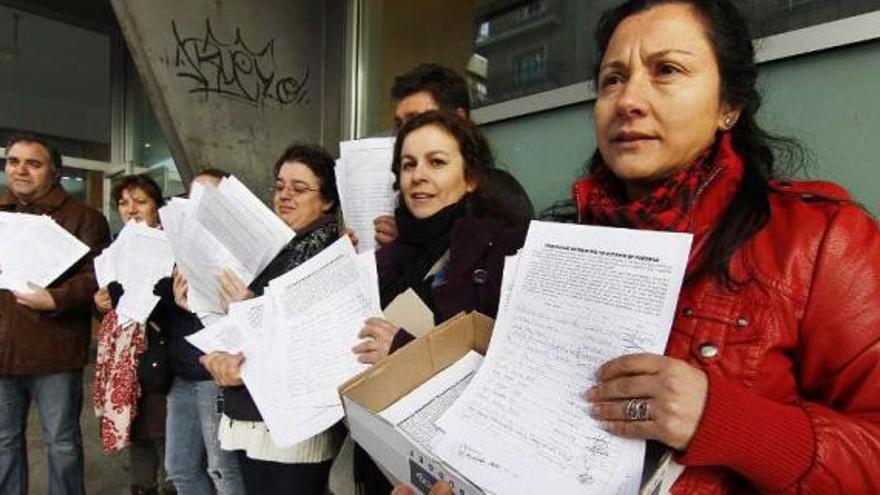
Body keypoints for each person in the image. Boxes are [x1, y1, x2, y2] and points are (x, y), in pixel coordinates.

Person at [573, 1, 880, 493]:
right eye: (612, 78)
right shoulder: (566, 243)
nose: (628, 99)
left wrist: (724, 420)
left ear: (727, 106)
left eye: (666, 70)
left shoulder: (821, 240)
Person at [351, 110, 529, 494]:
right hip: (376, 455)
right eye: (408, 164)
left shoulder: (503, 252)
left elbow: (507, 378)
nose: (418, 175)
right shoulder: (386, 257)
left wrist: (402, 351)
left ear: (469, 179)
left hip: (447, 472)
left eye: (436, 162)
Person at [198, 145, 344, 494]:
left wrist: (251, 307)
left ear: (326, 201)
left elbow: (315, 339)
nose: (285, 196)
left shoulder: (330, 253)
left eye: (299, 188)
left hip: (292, 421)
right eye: (279, 186)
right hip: (251, 409)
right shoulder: (273, 246)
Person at [0, 134, 111, 495]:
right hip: (2, 351)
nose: (21, 170)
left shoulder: (85, 218)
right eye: (14, 161)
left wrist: (57, 298)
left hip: (55, 350)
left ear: (56, 171)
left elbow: (98, 276)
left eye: (33, 163)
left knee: (61, 443)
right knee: (4, 443)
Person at [370, 63, 534, 247]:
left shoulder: (500, 201)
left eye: (417, 119)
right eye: (399, 124)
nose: (406, 133)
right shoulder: (407, 198)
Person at [162, 168, 246, 495]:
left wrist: (200, 306)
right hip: (181, 372)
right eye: (194, 197)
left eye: (210, 197)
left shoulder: (246, 250)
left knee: (222, 468)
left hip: (216, 374)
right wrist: (173, 298)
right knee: (179, 468)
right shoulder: (177, 241)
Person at [93, 174, 175, 495]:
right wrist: (99, 303)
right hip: (124, 362)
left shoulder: (173, 246)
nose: (132, 210)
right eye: (124, 203)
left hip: (161, 357)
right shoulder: (114, 250)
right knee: (137, 430)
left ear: (157, 207)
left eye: (141, 202)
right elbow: (106, 308)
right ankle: (141, 487)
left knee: (165, 435)